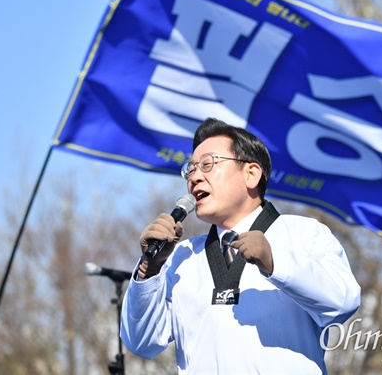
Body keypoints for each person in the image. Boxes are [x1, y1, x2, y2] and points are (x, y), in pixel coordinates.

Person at [120, 118, 360, 374]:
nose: (195, 177)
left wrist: (274, 262)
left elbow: (343, 302)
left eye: (208, 164)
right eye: (190, 169)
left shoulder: (303, 233)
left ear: (251, 174)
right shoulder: (182, 256)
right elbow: (141, 342)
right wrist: (150, 268)